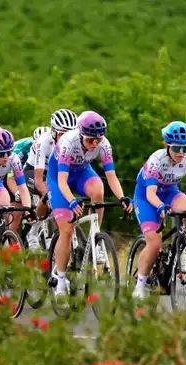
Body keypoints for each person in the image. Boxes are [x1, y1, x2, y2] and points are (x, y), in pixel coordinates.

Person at [132, 121, 186, 299]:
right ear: (167, 145)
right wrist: (159, 206)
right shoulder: (156, 160)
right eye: (177, 148)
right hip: (146, 197)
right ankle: (140, 285)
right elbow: (150, 193)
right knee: (154, 244)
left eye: (185, 148)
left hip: (170, 192)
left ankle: (182, 249)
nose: (181, 153)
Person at [46, 111, 132, 296]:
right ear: (80, 134)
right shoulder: (68, 142)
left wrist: (122, 197)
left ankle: (95, 238)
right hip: (59, 178)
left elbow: (111, 176)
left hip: (82, 173)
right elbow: (61, 181)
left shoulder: (104, 144)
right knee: (67, 229)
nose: (95, 144)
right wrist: (70, 200)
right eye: (90, 140)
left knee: (98, 190)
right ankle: (60, 280)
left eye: (98, 140)